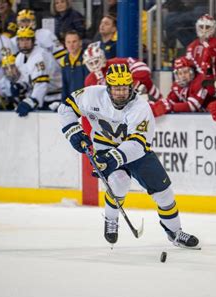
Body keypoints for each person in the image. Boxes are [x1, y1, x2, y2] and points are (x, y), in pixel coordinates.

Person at [58, 64, 199, 248]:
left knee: (164, 193)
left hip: (135, 151)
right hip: (105, 146)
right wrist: (73, 131)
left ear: (131, 87)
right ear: (108, 87)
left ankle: (175, 232)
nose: (120, 93)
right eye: (116, 89)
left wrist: (110, 160)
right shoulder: (92, 95)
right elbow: (66, 107)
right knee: (119, 182)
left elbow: (137, 143)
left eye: (124, 88)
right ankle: (111, 219)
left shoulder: (140, 107)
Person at [83, 42, 161, 101]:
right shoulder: (89, 80)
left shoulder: (116, 64)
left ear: (102, 58)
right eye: (91, 63)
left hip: (151, 101)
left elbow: (143, 68)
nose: (94, 65)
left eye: (96, 61)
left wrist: (132, 84)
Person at [11, 26, 58, 116]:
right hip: (42, 97)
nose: (24, 44)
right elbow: (25, 79)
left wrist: (32, 101)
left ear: (33, 41)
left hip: (54, 97)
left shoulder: (40, 56)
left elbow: (41, 84)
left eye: (27, 40)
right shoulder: (19, 57)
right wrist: (20, 86)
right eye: (21, 40)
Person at [186, 14, 216, 80]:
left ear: (213, 28)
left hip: (214, 81)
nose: (204, 30)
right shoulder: (192, 46)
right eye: (201, 26)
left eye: (207, 27)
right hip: (196, 83)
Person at [60, 30, 89, 102]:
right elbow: (65, 85)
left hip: (85, 101)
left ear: (80, 42)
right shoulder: (64, 60)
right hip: (71, 102)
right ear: (65, 44)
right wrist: (63, 102)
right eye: (68, 42)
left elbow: (89, 84)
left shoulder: (87, 58)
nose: (71, 45)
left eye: (74, 41)